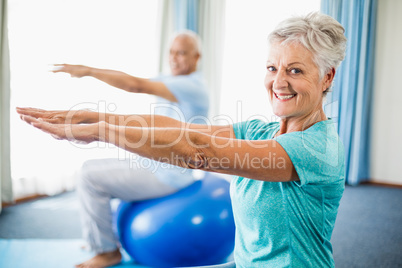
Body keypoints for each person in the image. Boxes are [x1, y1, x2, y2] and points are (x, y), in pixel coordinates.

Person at [18, 12, 347, 268]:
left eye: (295, 71)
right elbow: (185, 130)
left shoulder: (316, 149)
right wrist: (93, 116)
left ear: (326, 76)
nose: (278, 82)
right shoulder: (260, 130)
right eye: (272, 68)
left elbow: (197, 150)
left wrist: (100, 132)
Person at [30, 30, 209, 268]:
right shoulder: (170, 81)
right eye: (172, 52)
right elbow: (134, 81)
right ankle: (102, 236)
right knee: (88, 166)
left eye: (183, 53)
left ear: (197, 57)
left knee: (89, 177)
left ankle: (106, 251)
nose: (175, 58)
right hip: (154, 163)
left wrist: (88, 71)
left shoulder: (192, 86)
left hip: (171, 174)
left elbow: (134, 85)